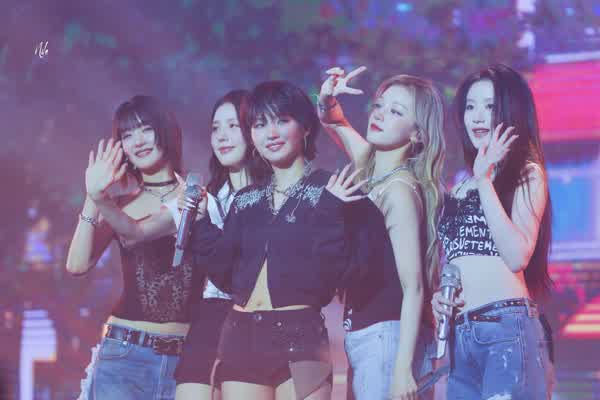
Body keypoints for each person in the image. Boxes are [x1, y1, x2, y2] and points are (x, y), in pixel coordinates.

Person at [185, 80, 367, 400]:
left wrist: (329, 213)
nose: (271, 133)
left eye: (282, 120)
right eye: (259, 124)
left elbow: (335, 276)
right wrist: (200, 224)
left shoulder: (330, 189)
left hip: (300, 335)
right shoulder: (246, 199)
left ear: (305, 127)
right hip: (241, 335)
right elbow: (224, 274)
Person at [317, 66, 446, 400]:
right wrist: (328, 97)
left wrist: (402, 370)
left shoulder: (399, 191)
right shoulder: (374, 172)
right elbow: (335, 122)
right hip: (367, 335)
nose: (380, 114)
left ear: (417, 134)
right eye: (379, 105)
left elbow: (413, 287)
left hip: (389, 339)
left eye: (396, 111)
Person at [67, 95, 201, 400]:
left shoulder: (197, 195)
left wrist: (102, 198)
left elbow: (138, 233)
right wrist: (93, 195)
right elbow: (76, 265)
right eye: (127, 135)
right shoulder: (119, 204)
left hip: (187, 361)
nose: (137, 141)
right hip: (124, 356)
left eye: (146, 129)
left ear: (166, 131)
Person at [432, 64, 554, 400]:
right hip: (460, 335)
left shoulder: (526, 173)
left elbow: (516, 256)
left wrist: (485, 180)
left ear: (510, 112)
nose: (477, 117)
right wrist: (438, 297)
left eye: (489, 106)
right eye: (470, 106)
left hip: (505, 328)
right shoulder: (459, 187)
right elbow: (453, 262)